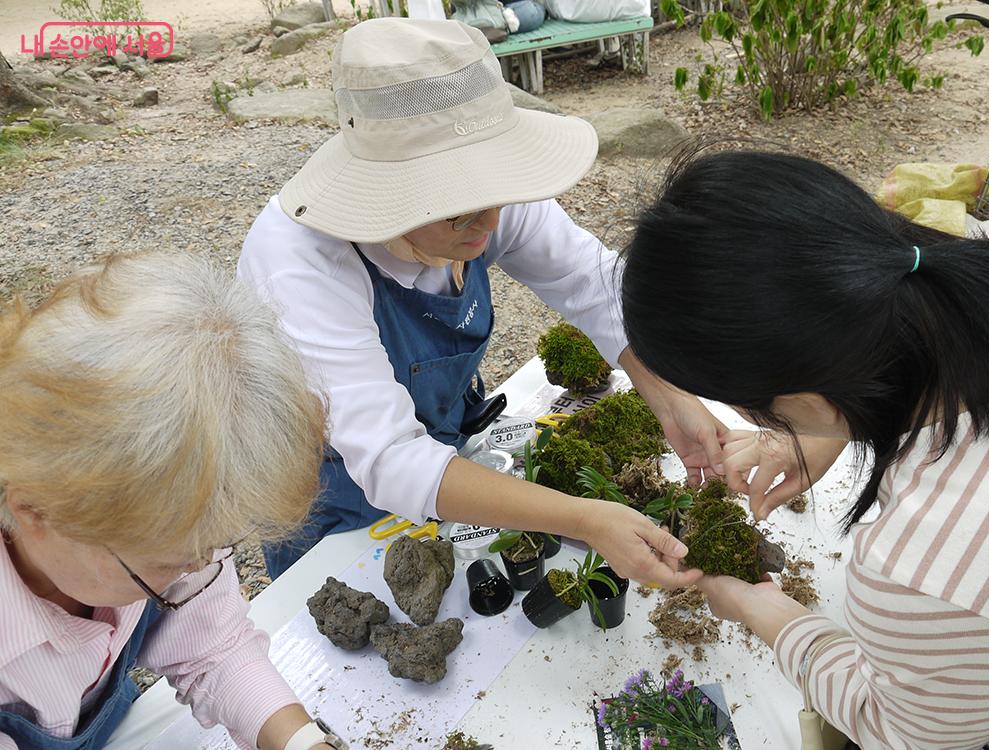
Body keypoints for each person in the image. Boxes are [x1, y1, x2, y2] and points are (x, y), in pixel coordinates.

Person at [619, 149, 989, 749]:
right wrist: (828, 432)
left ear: (805, 398)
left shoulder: (939, 565)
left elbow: (899, 729)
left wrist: (763, 612)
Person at [238, 18, 721, 585]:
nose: (491, 221)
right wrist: (585, 518)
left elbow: (593, 283)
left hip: (444, 453)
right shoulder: (300, 261)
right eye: (457, 207)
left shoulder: (488, 201)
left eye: (497, 194)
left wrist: (669, 398)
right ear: (386, 192)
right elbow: (389, 457)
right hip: (331, 488)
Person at [0, 253, 347, 750]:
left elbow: (215, 648)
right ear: (35, 511)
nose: (194, 570)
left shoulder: (162, 520)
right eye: (166, 565)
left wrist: (300, 742)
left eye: (213, 546)